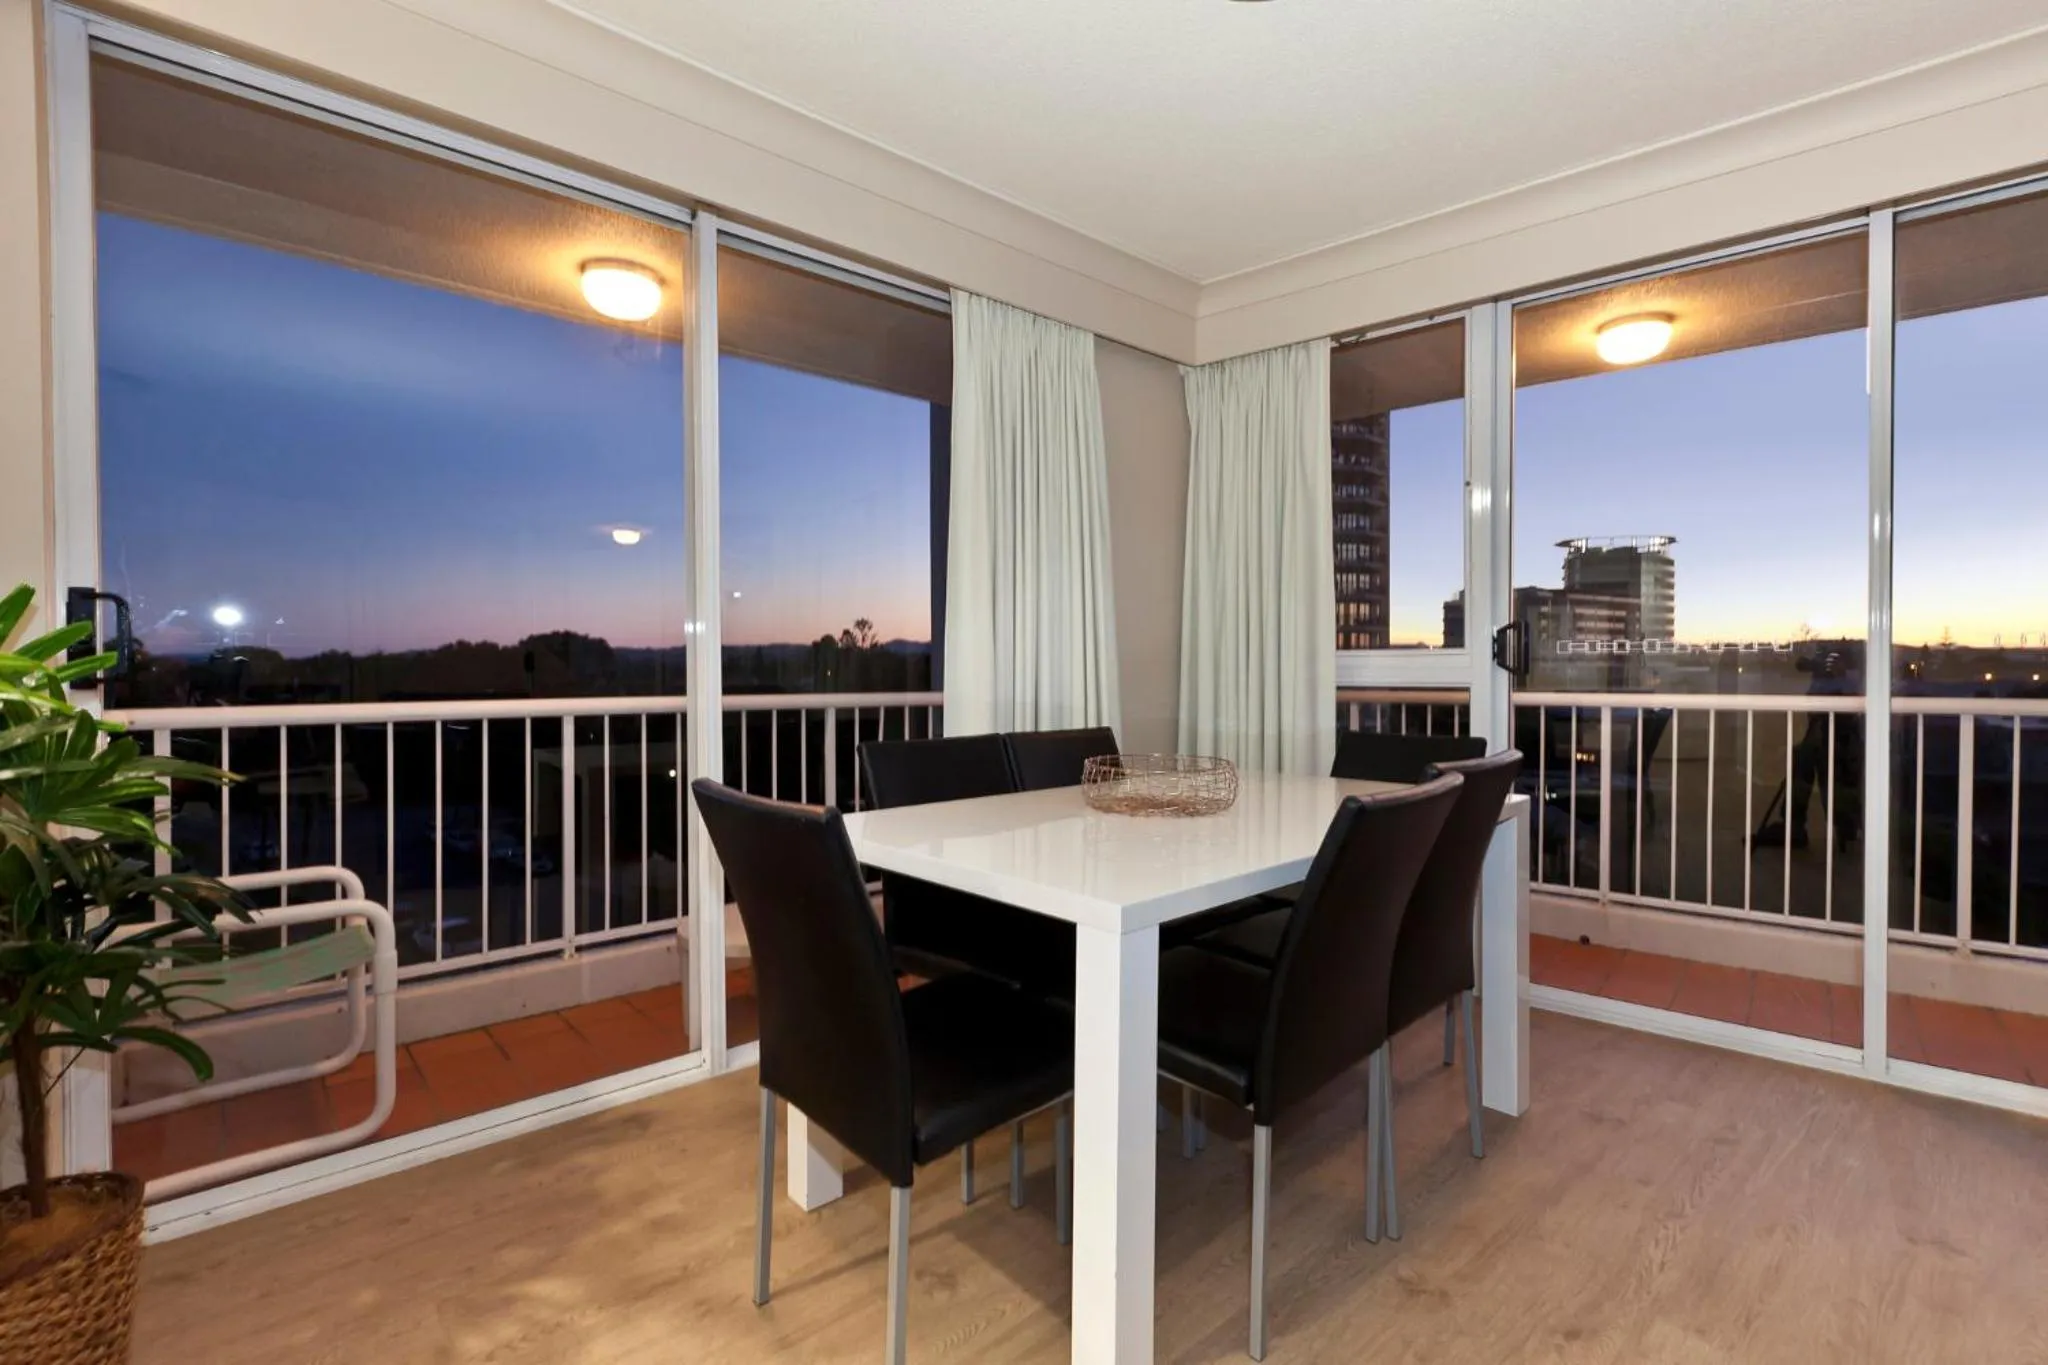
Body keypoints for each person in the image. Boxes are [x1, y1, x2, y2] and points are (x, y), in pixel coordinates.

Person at [1757, 649, 1861, 850]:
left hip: (1841, 736)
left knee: (1825, 772)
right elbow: (1812, 697)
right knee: (1803, 763)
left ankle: (1842, 826)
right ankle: (1795, 825)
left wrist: (1839, 678)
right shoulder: (1823, 677)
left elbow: (1849, 704)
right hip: (1821, 731)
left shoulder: (1850, 680)